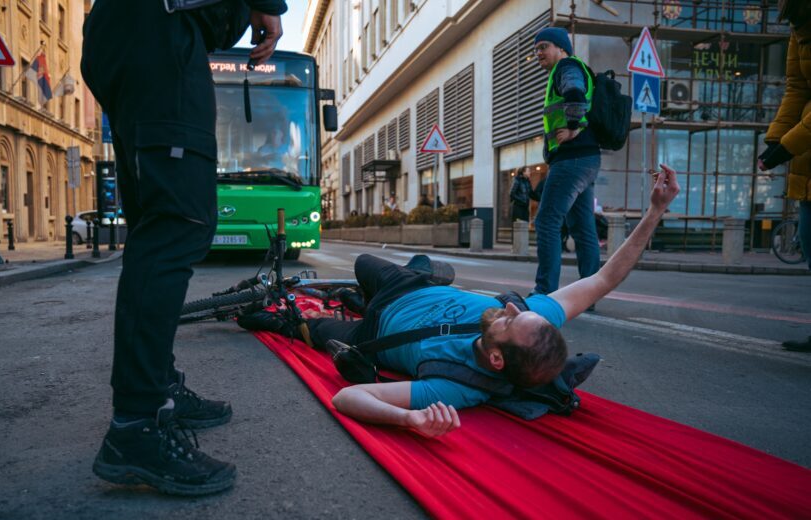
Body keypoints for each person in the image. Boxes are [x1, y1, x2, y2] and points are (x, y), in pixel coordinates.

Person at [276, 165, 678, 437]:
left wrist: (409, 418)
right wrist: (655, 210)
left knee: (306, 329)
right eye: (518, 312)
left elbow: (346, 397)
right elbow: (605, 278)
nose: (510, 307)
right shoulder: (532, 321)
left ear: (498, 359)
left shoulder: (460, 389)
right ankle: (363, 293)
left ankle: (340, 307)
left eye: (509, 322)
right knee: (364, 262)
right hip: (409, 287)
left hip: (374, 332)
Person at [81, 0, 285, 497]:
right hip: (162, 24)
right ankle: (138, 425)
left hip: (140, 31)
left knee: (158, 224)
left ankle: (159, 392)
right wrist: (269, 6)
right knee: (178, 225)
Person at [531, 27, 601, 296]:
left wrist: (573, 127)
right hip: (586, 160)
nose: (539, 53)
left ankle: (543, 293)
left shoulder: (567, 66)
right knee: (583, 228)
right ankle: (589, 294)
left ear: (561, 48)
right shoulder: (568, 69)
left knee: (546, 222)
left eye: (544, 47)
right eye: (536, 49)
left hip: (571, 160)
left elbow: (574, 91)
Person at [758, 0, 811, 352]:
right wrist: (774, 140)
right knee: (809, 240)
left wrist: (786, 147)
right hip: (806, 155)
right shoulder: (798, 27)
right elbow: (797, 88)